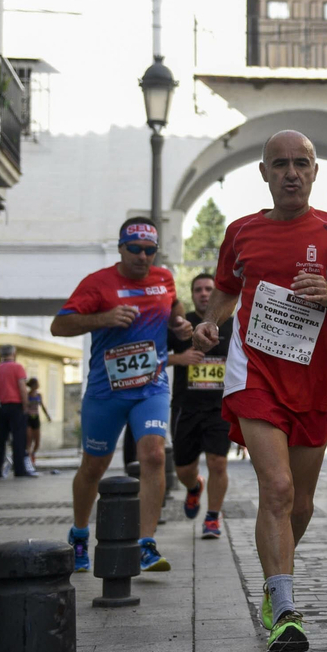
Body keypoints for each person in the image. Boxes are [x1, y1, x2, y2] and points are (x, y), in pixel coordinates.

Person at [192, 131, 327, 652]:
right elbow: (228, 289)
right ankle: (284, 609)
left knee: (299, 503)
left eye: (301, 163)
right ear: (263, 173)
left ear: (315, 171)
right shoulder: (241, 232)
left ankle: (274, 575)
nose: (291, 173)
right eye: (279, 164)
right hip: (254, 373)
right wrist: (210, 325)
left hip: (316, 380)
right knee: (276, 488)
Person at [51, 219, 192, 574]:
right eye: (135, 249)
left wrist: (179, 323)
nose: (142, 257)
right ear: (120, 247)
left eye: (149, 251)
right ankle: (80, 533)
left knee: (155, 455)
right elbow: (60, 325)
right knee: (94, 466)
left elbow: (174, 305)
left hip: (152, 386)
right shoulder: (98, 283)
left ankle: (146, 543)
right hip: (106, 391)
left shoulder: (163, 279)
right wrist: (104, 318)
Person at [165, 272, 234, 540]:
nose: (204, 293)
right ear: (192, 295)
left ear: (217, 293)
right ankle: (194, 487)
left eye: (209, 289)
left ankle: (212, 518)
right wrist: (180, 358)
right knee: (183, 468)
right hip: (186, 406)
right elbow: (157, 357)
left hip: (220, 407)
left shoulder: (230, 324)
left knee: (218, 462)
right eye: (198, 290)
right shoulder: (182, 326)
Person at [0, 346, 31, 478]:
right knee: (18, 439)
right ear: (14, 353)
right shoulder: (18, 368)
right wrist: (25, 405)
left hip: (1, 406)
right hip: (16, 406)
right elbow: (22, 387)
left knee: (1, 440)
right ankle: (19, 470)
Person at [24, 378, 49, 470]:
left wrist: (47, 416)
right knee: (29, 438)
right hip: (28, 418)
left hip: (36, 418)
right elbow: (25, 405)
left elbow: (42, 406)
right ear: (33, 385)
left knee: (37, 441)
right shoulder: (27, 395)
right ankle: (28, 458)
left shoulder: (39, 395)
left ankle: (33, 454)